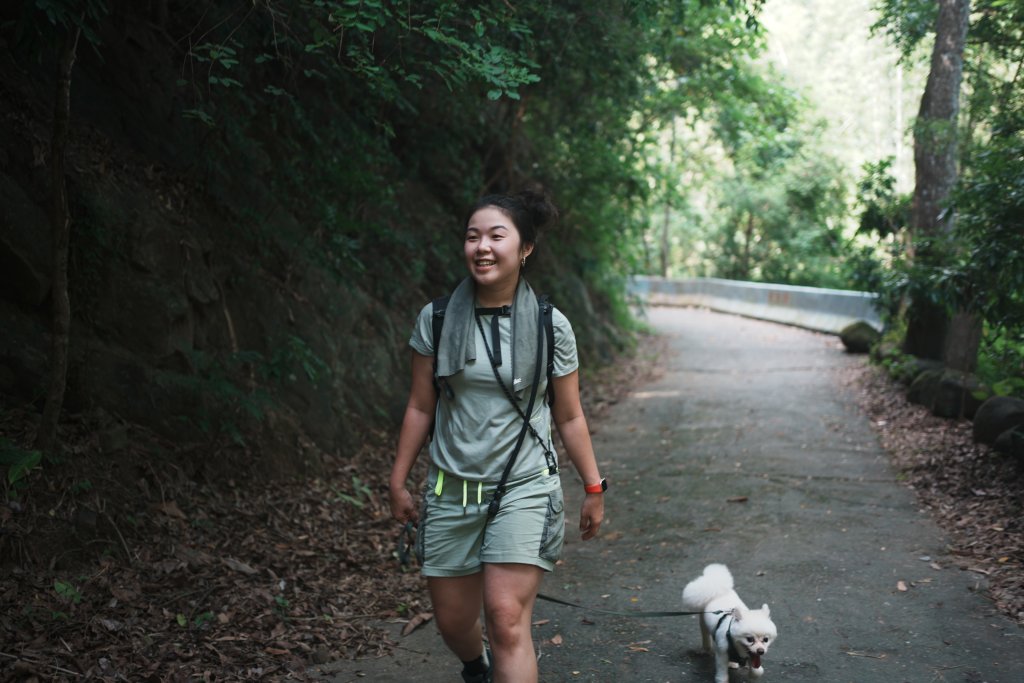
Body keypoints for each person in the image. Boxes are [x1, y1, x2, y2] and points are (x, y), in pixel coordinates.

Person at [389, 187, 605, 683]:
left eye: (495, 236)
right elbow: (421, 405)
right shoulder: (437, 318)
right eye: (472, 236)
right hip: (451, 490)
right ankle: (475, 668)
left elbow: (569, 417)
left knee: (505, 618)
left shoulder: (552, 326)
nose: (481, 247)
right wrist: (398, 480)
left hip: (524, 487)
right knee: (454, 622)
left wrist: (594, 487)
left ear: (525, 248)